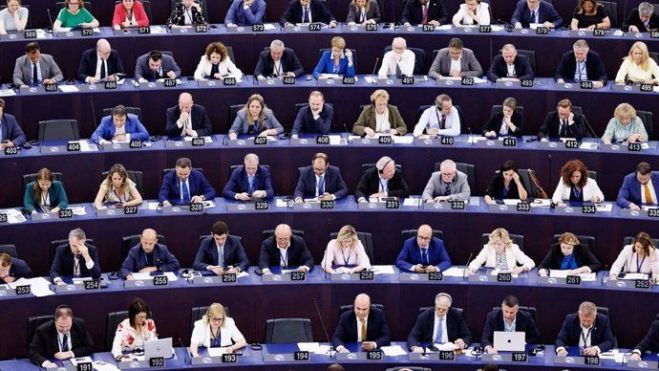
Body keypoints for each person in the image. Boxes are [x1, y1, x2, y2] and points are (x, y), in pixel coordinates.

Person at [29, 305, 94, 368]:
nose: (65, 329)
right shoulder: (43, 331)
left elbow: (89, 346)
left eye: (68, 326)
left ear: (72, 321)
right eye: (61, 326)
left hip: (73, 363)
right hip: (53, 362)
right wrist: (46, 363)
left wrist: (70, 353)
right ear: (55, 322)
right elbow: (33, 352)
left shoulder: (79, 325)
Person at [468, 228, 535, 275]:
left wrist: (522, 268)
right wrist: (472, 269)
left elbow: (530, 262)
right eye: (494, 243)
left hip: (509, 278)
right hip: (491, 279)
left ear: (506, 243)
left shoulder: (513, 248)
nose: (496, 246)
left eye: (499, 244)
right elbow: (477, 262)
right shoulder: (488, 247)